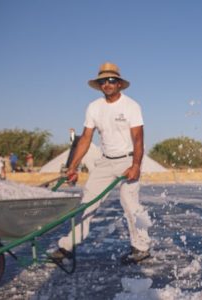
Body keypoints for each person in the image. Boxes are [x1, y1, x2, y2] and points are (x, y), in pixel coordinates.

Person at [50, 62, 152, 265]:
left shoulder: (131, 106)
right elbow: (86, 138)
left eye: (112, 80)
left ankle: (140, 248)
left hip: (127, 160)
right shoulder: (94, 107)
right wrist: (73, 167)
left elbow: (139, 138)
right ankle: (67, 246)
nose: (107, 84)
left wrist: (136, 165)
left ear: (119, 84)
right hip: (105, 162)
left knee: (130, 204)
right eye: (103, 81)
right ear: (100, 85)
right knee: (87, 203)